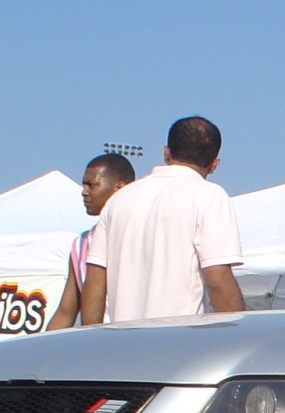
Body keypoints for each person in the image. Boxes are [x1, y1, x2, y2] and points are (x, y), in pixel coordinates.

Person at [80, 116, 245, 323]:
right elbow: (218, 279)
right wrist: (237, 332)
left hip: (121, 344)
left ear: (166, 152)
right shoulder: (209, 196)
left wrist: (93, 343)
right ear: (214, 164)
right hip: (177, 344)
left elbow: (95, 282)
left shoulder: (118, 200)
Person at [45, 152, 136, 330]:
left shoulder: (142, 235)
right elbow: (65, 312)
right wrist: (40, 350)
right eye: (83, 185)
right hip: (100, 345)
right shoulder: (81, 244)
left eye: (91, 185)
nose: (84, 192)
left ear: (120, 188)